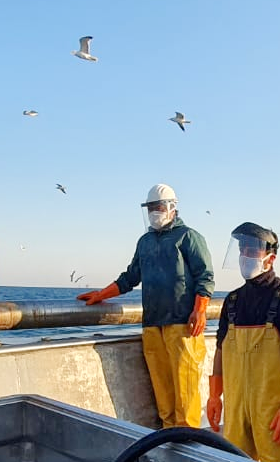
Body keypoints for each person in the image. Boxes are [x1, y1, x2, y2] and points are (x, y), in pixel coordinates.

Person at [78, 184, 215, 429]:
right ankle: (168, 436)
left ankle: (189, 439)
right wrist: (101, 294)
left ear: (173, 207)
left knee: (186, 389)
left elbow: (205, 276)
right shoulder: (145, 242)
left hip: (183, 324)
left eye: (159, 207)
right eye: (151, 207)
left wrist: (200, 309)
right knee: (162, 390)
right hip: (152, 325)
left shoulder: (189, 237)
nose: (154, 212)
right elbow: (130, 277)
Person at [205, 222, 280, 462]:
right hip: (236, 411)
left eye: (252, 250)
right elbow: (222, 349)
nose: (245, 255)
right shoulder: (232, 301)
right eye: (242, 249)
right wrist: (215, 395)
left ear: (270, 258)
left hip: (275, 413)